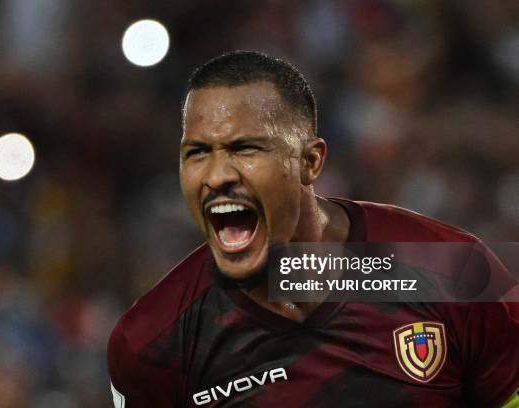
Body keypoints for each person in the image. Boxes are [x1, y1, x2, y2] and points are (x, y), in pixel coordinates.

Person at [107, 51, 518, 407]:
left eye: (244, 149)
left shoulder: (454, 272)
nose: (216, 176)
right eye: (197, 153)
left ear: (310, 162)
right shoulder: (153, 345)